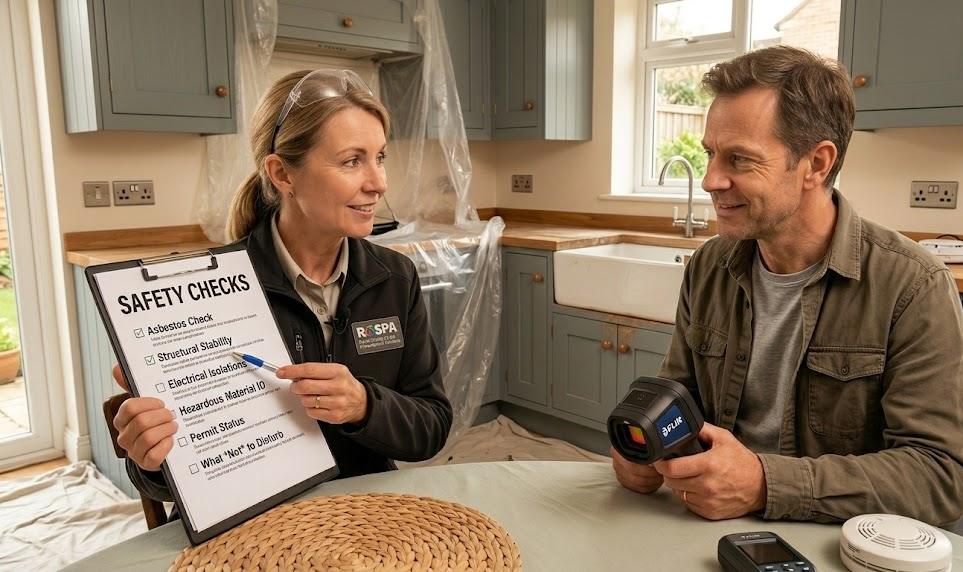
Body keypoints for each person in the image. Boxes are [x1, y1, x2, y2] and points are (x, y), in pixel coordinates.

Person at [611, 45, 963, 527]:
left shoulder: (913, 286)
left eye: (739, 159)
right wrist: (645, 446)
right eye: (711, 154)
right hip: (710, 520)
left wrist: (764, 483)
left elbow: (939, 476)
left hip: (836, 537)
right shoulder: (709, 265)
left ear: (816, 164)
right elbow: (677, 398)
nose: (711, 180)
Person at [112, 69, 453, 509]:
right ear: (282, 174)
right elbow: (168, 481)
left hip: (363, 516)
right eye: (352, 161)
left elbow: (432, 426)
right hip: (253, 522)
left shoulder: (395, 278)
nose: (379, 183)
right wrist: (149, 457)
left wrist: (364, 405)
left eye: (380, 157)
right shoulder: (203, 292)